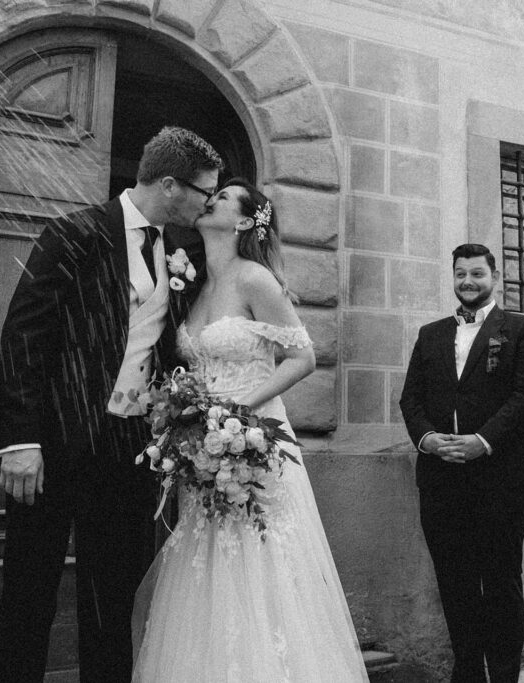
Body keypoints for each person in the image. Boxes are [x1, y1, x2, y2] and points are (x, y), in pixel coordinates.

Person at [0, 126, 222, 683]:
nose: (207, 204)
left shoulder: (180, 254)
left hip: (127, 457)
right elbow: (24, 336)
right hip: (50, 449)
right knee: (29, 597)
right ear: (170, 185)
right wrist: (20, 442)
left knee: (109, 603)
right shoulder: (75, 233)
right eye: (203, 193)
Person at [130, 178, 368, 681]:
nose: (208, 199)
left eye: (221, 198)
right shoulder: (194, 283)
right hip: (205, 447)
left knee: (257, 557)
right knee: (207, 555)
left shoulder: (254, 278)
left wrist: (239, 409)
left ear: (242, 221)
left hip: (251, 437)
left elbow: (303, 357)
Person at [399, 243, 524, 683]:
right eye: (460, 273)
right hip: (441, 478)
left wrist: (484, 441)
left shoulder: (521, 327)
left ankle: (503, 677)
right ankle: (467, 673)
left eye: (477, 274)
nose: (468, 281)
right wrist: (428, 439)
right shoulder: (431, 333)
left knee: (500, 581)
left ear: (494, 277)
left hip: (502, 476)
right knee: (455, 582)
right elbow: (411, 398)